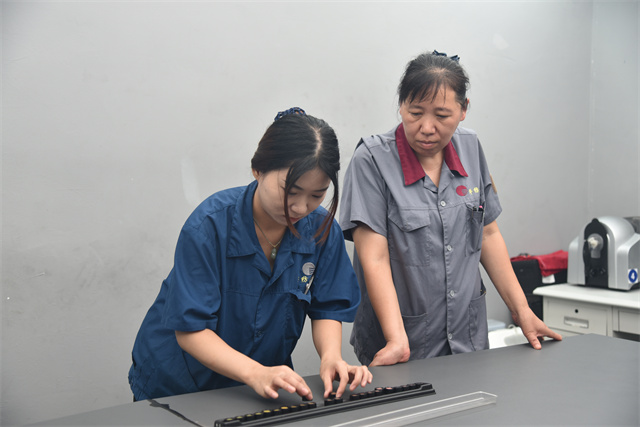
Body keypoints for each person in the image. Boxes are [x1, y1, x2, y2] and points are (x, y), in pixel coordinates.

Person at [129, 107, 372, 401]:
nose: (300, 207)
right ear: (258, 169)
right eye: (290, 191)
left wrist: (331, 356)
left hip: (256, 385)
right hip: (179, 385)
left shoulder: (322, 230)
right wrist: (255, 373)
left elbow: (327, 308)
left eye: (317, 195)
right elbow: (190, 330)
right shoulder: (208, 227)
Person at [339, 51, 562, 367]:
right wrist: (396, 339)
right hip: (402, 343)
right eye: (415, 112)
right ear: (400, 105)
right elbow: (373, 257)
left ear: (463, 109)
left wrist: (522, 311)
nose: (427, 127)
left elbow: (487, 233)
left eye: (442, 116)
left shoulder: (470, 148)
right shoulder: (372, 161)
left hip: (467, 338)